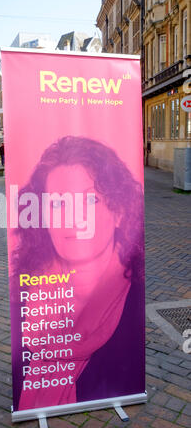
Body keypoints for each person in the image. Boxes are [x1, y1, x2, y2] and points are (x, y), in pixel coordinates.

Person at [11, 136, 145, 411]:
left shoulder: (135, 304)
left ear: (118, 212)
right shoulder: (21, 297)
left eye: (90, 200)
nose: (73, 218)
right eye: (58, 204)